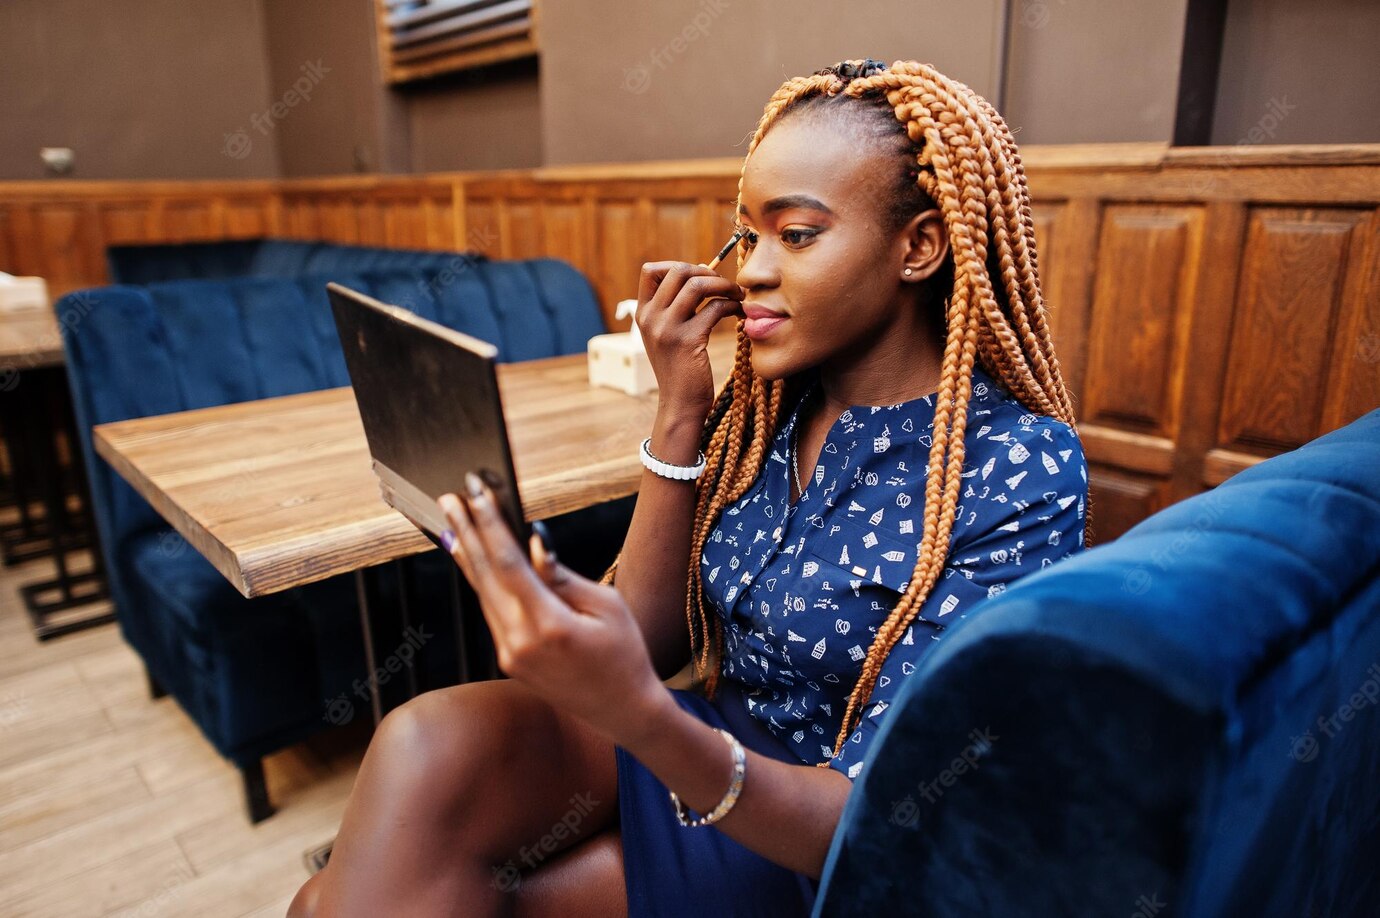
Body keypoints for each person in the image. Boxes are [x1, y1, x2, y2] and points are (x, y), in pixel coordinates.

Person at [289, 57, 1088, 917]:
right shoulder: (770, 407)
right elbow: (647, 636)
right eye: (748, 236)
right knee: (417, 747)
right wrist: (679, 409)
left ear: (920, 247)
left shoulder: (1017, 467)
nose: (752, 270)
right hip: (696, 736)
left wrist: (641, 715)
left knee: (344, 898)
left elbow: (880, 814)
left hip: (812, 826)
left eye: (799, 234)